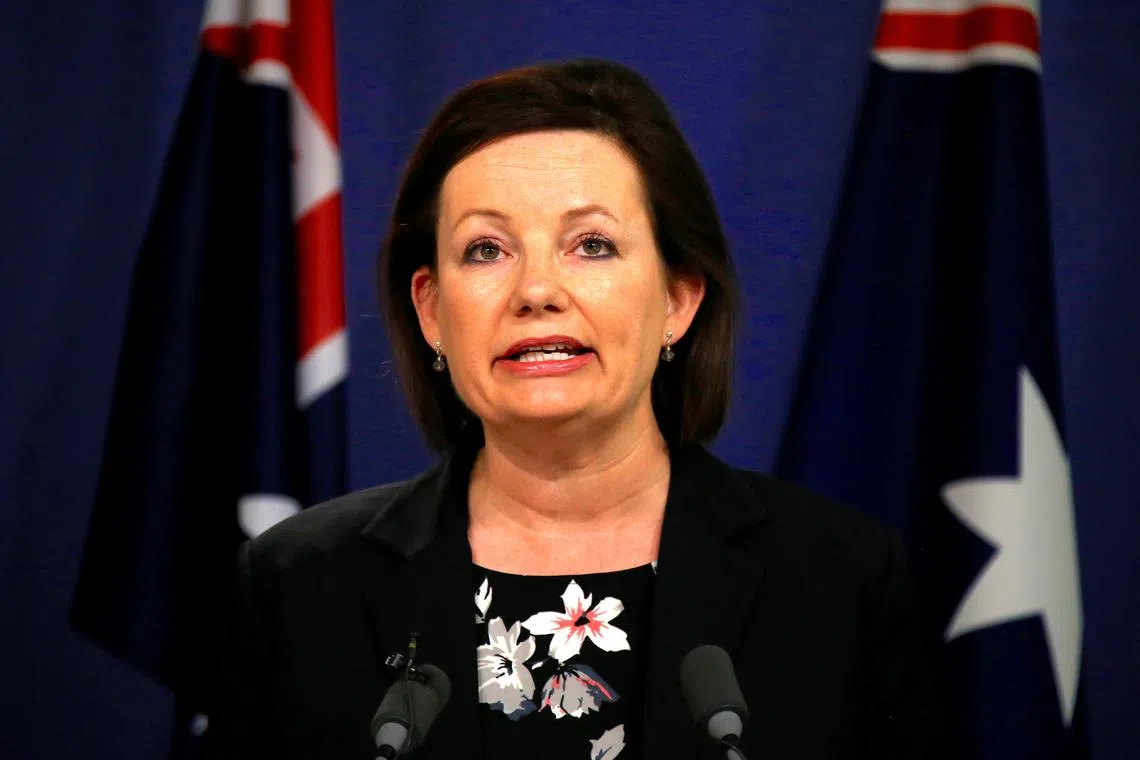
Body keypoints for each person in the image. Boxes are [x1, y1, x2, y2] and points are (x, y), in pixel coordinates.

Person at [203, 58, 946, 760]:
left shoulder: (838, 580)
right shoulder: (298, 584)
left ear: (678, 300)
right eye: (486, 250)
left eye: (591, 245)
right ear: (431, 311)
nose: (536, 291)